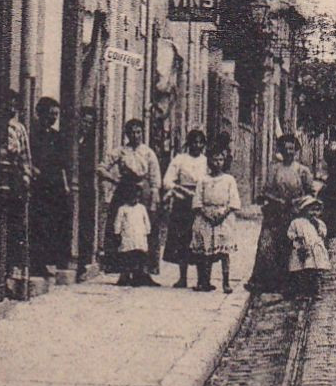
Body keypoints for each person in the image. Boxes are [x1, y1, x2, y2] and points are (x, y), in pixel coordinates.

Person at [247, 134, 316, 293]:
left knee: (294, 244)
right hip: (276, 212)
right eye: (285, 148)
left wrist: (300, 204)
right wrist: (277, 201)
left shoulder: (302, 170)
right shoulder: (274, 169)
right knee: (267, 244)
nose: (289, 151)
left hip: (295, 213)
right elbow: (266, 192)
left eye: (292, 148)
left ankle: (293, 281)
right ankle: (266, 281)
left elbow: (311, 193)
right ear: (281, 150)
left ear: (296, 150)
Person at [98, 120, 160, 278]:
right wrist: (114, 179)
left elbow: (155, 179)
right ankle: (123, 271)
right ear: (126, 134)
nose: (135, 135)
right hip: (124, 192)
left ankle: (144, 272)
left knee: (144, 230)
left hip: (143, 193)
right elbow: (101, 168)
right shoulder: (120, 152)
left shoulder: (148, 153)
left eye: (138, 132)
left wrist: (153, 201)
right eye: (132, 132)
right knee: (121, 228)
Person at [30, 96, 71, 276]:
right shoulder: (33, 134)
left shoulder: (57, 136)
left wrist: (65, 186)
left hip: (54, 187)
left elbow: (62, 164)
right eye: (51, 114)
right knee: (39, 224)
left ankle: (48, 261)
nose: (54, 118)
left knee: (53, 224)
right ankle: (36, 263)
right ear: (41, 114)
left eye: (56, 114)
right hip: (38, 186)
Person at [162, 130, 207, 289]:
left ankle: (202, 279)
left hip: (200, 203)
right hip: (182, 203)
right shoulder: (180, 160)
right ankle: (182, 278)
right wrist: (180, 189)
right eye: (194, 142)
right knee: (183, 239)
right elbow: (167, 181)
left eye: (200, 142)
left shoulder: (206, 162)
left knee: (201, 238)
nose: (197, 145)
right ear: (189, 143)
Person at [191, 147, 240, 293]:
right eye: (214, 159)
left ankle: (226, 282)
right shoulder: (203, 180)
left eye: (220, 159)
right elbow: (197, 201)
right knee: (205, 251)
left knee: (224, 252)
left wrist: (222, 215)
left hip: (223, 218)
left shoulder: (229, 180)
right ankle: (204, 281)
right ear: (209, 161)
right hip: (205, 217)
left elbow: (233, 201)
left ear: (224, 161)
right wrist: (206, 214)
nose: (217, 162)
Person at [286, 195, 331, 298]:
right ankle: (302, 292)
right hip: (301, 249)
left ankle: (315, 291)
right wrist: (296, 238)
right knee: (301, 272)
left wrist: (319, 229)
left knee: (314, 272)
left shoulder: (318, 223)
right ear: (304, 210)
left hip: (314, 250)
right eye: (311, 210)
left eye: (316, 210)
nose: (314, 213)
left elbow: (323, 233)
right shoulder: (297, 222)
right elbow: (290, 233)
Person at [114, 189, 155, 287]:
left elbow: (146, 221)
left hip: (140, 236)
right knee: (127, 257)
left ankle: (138, 278)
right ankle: (125, 277)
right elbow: (118, 222)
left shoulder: (141, 208)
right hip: (127, 236)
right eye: (132, 197)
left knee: (139, 256)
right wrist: (117, 232)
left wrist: (147, 231)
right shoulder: (123, 209)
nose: (134, 200)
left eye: (136, 197)